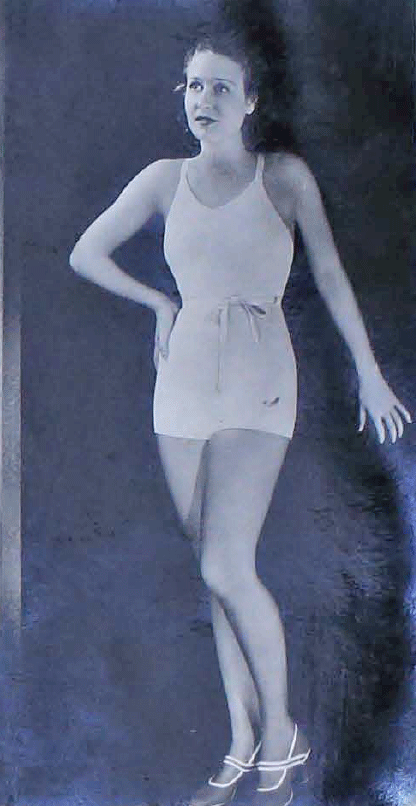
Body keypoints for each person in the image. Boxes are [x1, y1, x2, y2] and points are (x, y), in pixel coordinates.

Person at [69, 30, 412, 806]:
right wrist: (159, 303)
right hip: (183, 378)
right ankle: (239, 740)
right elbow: (86, 252)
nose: (205, 101)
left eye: (222, 88)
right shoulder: (163, 180)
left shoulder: (282, 176)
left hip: (259, 373)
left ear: (251, 101)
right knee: (213, 571)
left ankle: (281, 731)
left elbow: (330, 273)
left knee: (227, 564)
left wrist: (368, 372)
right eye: (194, 86)